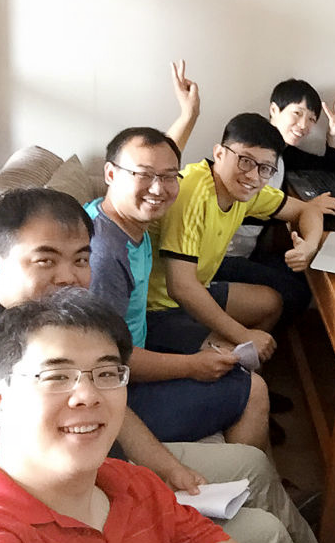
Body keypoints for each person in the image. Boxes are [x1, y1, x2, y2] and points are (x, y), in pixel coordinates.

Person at [0, 187, 316, 543]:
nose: (68, 278)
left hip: (112, 475)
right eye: (46, 261)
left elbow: (108, 408)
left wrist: (167, 469)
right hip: (80, 500)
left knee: (252, 464)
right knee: (265, 530)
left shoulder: (58, 322)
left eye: (80, 260)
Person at [0, 288, 234, 542]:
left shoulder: (136, 484)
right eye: (58, 377)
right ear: (0, 401)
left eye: (106, 374)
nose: (88, 395)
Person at [85, 126, 269, 450]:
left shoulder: (121, 221)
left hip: (138, 340)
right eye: (144, 175)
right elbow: (106, 362)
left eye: (169, 176)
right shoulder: (105, 258)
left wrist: (189, 116)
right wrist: (191, 366)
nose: (158, 188)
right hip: (115, 396)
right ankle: (249, 475)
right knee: (254, 390)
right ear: (111, 174)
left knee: (234, 349)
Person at [145, 112, 323, 364]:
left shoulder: (244, 191)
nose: (253, 176)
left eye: (265, 168)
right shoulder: (192, 194)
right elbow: (181, 287)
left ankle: (247, 374)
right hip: (158, 309)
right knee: (234, 355)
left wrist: (309, 246)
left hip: (197, 286)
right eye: (245, 161)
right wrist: (243, 335)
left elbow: (308, 210)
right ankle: (246, 379)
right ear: (219, 153)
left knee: (271, 303)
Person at [218, 78, 335, 323]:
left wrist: (333, 135)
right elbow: (247, 208)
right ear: (274, 110)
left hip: (247, 251)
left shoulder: (282, 151)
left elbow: (327, 170)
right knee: (298, 293)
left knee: (304, 276)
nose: (304, 125)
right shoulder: (255, 149)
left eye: (312, 119)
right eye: (297, 113)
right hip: (224, 257)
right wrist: (305, 207)